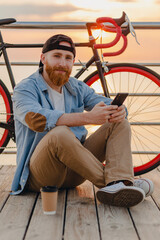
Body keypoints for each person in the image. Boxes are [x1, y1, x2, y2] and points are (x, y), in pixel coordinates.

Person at [11, 34, 154, 207]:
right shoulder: (25, 89)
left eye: (68, 58)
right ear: (43, 58)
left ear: (73, 62)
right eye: (56, 56)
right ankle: (119, 185)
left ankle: (120, 182)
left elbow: (103, 103)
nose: (63, 64)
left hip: (74, 174)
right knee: (60, 133)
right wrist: (88, 118)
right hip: (40, 177)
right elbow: (36, 120)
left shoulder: (76, 87)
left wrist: (119, 110)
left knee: (119, 122)